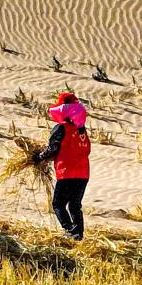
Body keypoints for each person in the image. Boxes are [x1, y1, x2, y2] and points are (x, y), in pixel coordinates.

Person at [33, 93, 91, 240]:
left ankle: (70, 230)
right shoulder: (82, 131)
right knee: (75, 205)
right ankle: (79, 235)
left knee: (58, 204)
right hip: (83, 173)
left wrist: (39, 157)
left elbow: (53, 148)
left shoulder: (61, 128)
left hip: (67, 172)